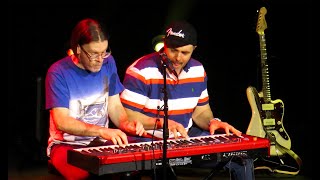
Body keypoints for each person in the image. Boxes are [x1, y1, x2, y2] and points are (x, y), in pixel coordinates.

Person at [120, 20, 255, 180]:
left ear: (194, 50)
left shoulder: (198, 70)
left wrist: (212, 122)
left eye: (185, 53)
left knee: (242, 159)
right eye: (173, 50)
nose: (178, 57)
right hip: (147, 139)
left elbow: (201, 112)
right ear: (164, 44)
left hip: (185, 136)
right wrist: (164, 123)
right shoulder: (141, 71)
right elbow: (127, 116)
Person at [45, 18, 146, 180]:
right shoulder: (58, 72)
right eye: (93, 54)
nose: (100, 59)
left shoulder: (108, 62)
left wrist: (126, 124)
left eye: (104, 52)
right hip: (66, 145)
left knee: (133, 166)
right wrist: (101, 130)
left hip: (100, 141)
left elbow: (114, 106)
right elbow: (62, 121)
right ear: (78, 48)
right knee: (86, 175)